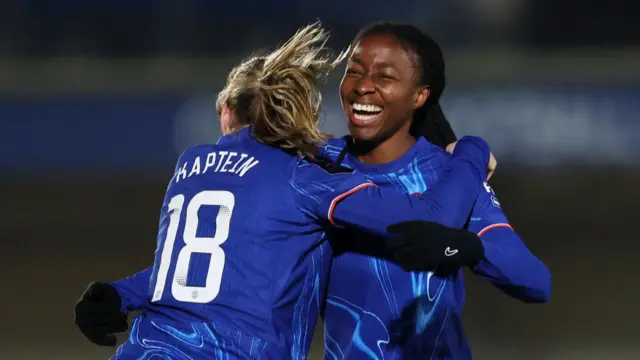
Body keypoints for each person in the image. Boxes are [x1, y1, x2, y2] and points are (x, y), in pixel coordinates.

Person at [73, 22, 495, 360]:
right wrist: (472, 153)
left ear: (225, 111)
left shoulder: (191, 165)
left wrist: (119, 294)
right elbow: (433, 217)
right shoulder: (307, 177)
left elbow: (206, 272)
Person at [321, 22, 552, 360]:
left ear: (420, 95)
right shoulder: (315, 168)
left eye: (385, 76)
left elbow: (536, 282)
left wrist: (468, 248)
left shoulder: (449, 174)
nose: (363, 86)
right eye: (354, 72)